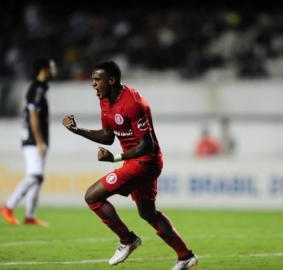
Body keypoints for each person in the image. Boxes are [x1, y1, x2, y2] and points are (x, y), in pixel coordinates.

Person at [63, 61, 198, 270]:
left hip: (145, 161)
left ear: (111, 80)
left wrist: (115, 158)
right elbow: (108, 136)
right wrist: (77, 130)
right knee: (148, 213)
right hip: (135, 160)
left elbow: (147, 144)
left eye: (97, 80)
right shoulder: (105, 101)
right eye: (92, 80)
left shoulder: (134, 103)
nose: (93, 84)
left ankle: (127, 240)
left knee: (92, 196)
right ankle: (185, 256)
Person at [0, 57, 57, 226]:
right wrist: (39, 141)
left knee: (38, 177)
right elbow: (32, 115)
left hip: (36, 138)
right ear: (44, 69)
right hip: (33, 139)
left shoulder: (40, 88)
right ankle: (8, 207)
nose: (54, 71)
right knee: (35, 175)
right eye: (52, 67)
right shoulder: (37, 88)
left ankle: (30, 216)